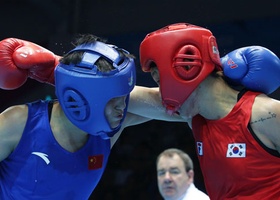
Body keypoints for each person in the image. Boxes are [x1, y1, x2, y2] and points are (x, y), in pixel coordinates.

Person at [0, 34, 182, 199]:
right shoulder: (20, 123)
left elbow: (181, 105)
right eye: (114, 99)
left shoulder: (107, 129)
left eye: (125, 97)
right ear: (82, 98)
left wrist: (64, 74)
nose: (123, 107)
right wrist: (72, 81)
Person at [139, 22, 280, 199]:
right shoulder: (196, 118)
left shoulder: (267, 113)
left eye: (160, 82)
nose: (161, 94)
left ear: (186, 69)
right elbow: (124, 100)